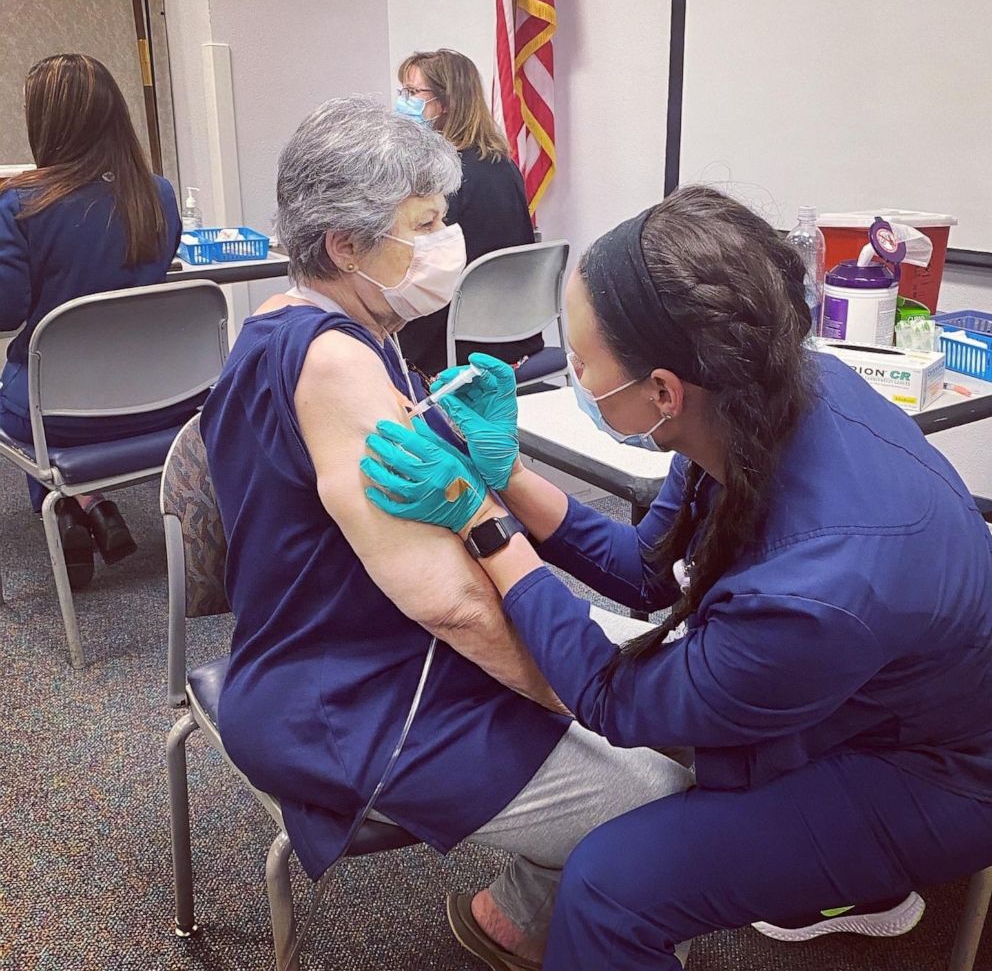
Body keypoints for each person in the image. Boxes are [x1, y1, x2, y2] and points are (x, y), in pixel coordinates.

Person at [363, 185, 992, 970]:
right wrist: (510, 476)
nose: (576, 379)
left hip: (937, 775)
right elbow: (649, 569)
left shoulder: (817, 588)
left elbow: (616, 701)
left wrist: (484, 525)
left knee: (612, 885)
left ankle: (857, 872)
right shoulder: (755, 400)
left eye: (582, 364)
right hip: (866, 689)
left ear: (663, 391)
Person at [199, 96, 690, 971]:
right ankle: (543, 915)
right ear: (346, 245)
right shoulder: (337, 360)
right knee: (665, 796)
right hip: (352, 696)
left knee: (649, 683)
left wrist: (493, 475)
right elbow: (456, 606)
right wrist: (592, 706)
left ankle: (514, 914)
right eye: (422, 224)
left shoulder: (320, 321)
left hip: (352, 650)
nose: (445, 242)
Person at [0, 54, 187, 589]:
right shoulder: (159, 194)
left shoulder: (19, 203)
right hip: (158, 405)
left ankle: (67, 506)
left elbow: (8, 311)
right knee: (46, 390)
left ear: (46, 122)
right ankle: (88, 500)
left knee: (26, 397)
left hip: (59, 416)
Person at [393, 49, 539, 378]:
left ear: (446, 102)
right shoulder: (503, 164)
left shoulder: (446, 179)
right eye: (402, 92)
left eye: (413, 93)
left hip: (457, 341)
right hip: (516, 333)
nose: (404, 102)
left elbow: (419, 263)